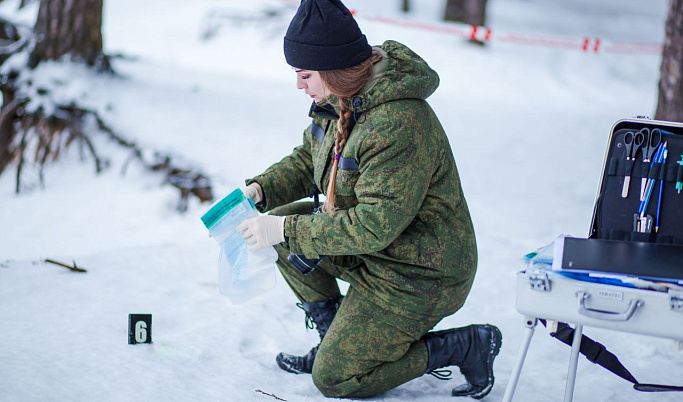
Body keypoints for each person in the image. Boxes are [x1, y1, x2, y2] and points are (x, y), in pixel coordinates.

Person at [236, 0, 501, 398]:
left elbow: (371, 225)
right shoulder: (341, 100)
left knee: (335, 379)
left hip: (417, 274)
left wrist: (285, 228)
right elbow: (311, 155)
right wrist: (261, 189)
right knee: (282, 234)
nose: (298, 84)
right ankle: (335, 341)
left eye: (303, 74)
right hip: (372, 253)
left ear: (330, 67)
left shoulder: (397, 124)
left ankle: (466, 346)